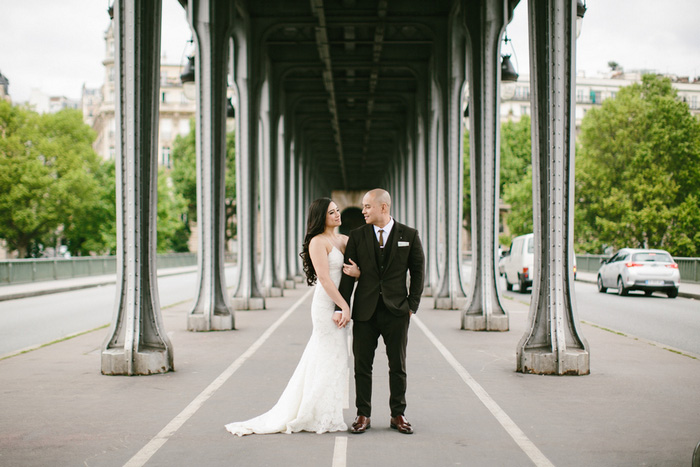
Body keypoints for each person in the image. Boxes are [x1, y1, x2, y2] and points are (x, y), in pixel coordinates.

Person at [225, 198, 359, 436]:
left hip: (340, 303)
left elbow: (354, 269)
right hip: (326, 305)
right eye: (332, 212)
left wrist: (358, 274)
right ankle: (313, 413)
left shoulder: (344, 240)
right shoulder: (318, 242)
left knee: (337, 358)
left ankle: (328, 413)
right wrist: (343, 307)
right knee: (325, 356)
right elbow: (325, 279)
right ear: (321, 217)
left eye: (338, 210)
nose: (338, 215)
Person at [338, 188, 425, 435]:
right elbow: (347, 274)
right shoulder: (357, 236)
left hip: (397, 311)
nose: (363, 210)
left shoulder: (409, 234)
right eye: (363, 206)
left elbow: (418, 271)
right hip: (365, 311)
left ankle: (398, 414)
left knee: (398, 364)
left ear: (383, 207)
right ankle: (362, 414)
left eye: (367, 206)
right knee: (362, 366)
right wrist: (341, 307)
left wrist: (412, 306)